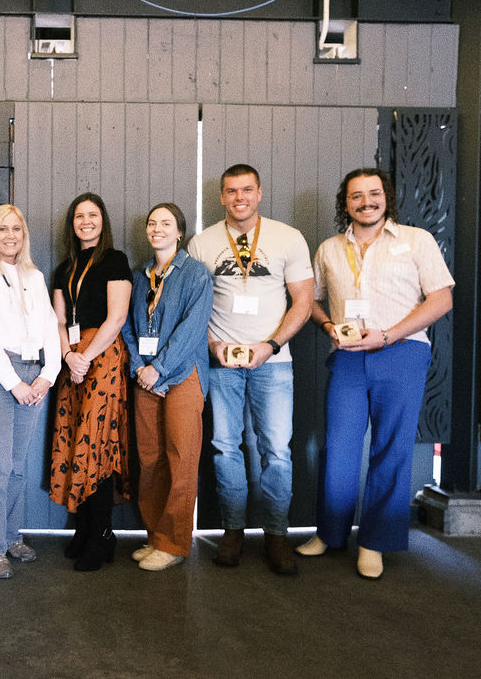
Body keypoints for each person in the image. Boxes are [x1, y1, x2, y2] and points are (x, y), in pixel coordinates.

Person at [297, 168, 453, 580]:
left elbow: (440, 299)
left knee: (391, 448)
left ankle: (374, 541)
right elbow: (309, 300)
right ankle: (330, 533)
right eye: (356, 196)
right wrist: (329, 326)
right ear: (344, 203)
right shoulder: (329, 248)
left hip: (402, 353)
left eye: (374, 193)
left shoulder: (416, 240)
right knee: (338, 449)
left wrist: (387, 335)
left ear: (387, 197)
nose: (366, 201)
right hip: (347, 356)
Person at [187, 164, 313, 575]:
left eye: (246, 190)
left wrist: (271, 345)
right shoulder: (201, 243)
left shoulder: (287, 238)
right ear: (221, 197)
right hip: (221, 363)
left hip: (273, 363)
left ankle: (277, 535)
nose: (239, 197)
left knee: (276, 450)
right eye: (230, 191)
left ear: (259, 193)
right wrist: (212, 344)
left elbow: (303, 302)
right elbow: (192, 307)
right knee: (225, 447)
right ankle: (233, 531)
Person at [0, 205, 60, 579]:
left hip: (33, 373)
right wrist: (14, 384)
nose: (10, 236)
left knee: (17, 466)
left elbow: (51, 327)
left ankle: (9, 536)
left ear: (24, 235)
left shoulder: (33, 276)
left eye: (16, 229)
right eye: (2, 229)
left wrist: (47, 376)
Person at [121, 203, 213, 571]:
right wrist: (140, 367)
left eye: (166, 224)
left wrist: (158, 369)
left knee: (181, 458)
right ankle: (155, 536)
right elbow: (128, 327)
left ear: (180, 232)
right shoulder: (140, 276)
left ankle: (174, 543)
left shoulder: (196, 274)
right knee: (150, 459)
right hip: (145, 376)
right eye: (151, 223)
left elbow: (192, 330)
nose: (157, 228)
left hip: (182, 376)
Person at [48, 193, 132, 571]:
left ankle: (102, 534)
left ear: (103, 220)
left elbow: (116, 318)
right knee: (73, 440)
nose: (86, 221)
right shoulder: (63, 269)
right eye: (79, 216)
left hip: (103, 357)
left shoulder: (115, 260)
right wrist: (68, 356)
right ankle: (82, 528)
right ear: (72, 223)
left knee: (96, 443)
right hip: (72, 360)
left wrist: (86, 356)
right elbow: (60, 321)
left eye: (93, 214)